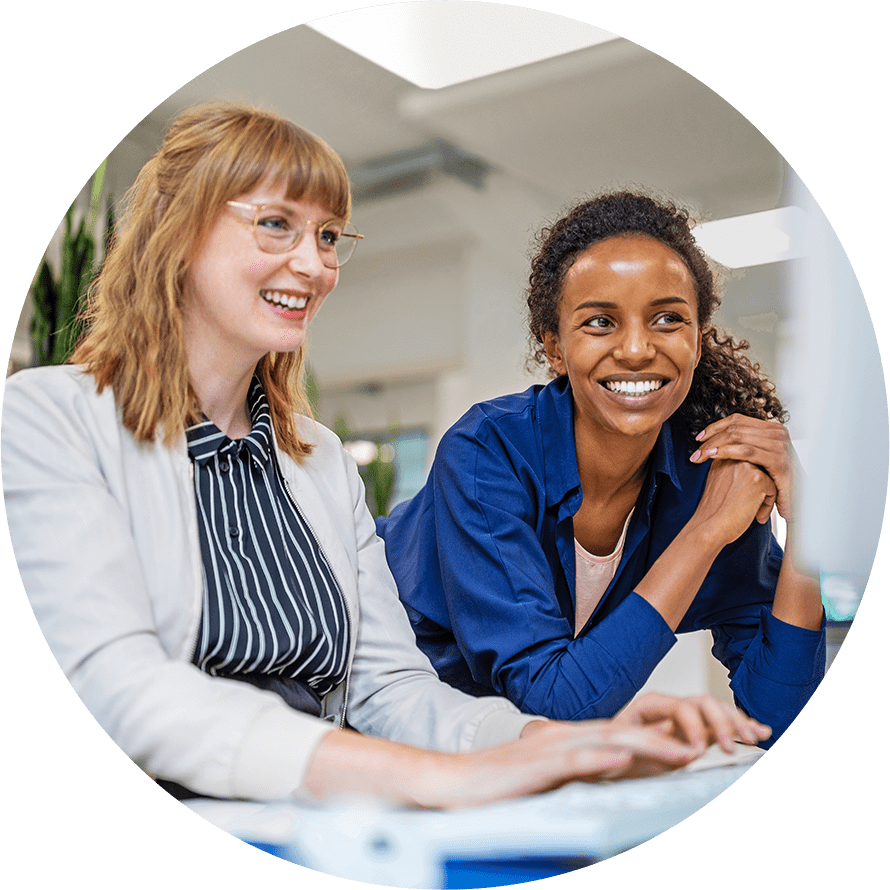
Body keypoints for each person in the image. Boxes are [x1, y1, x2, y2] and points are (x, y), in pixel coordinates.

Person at [1, 106, 770, 807]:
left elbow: (390, 690)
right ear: (179, 231)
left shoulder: (319, 461)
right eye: (276, 225)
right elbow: (115, 685)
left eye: (329, 236)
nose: (313, 265)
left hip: (315, 807)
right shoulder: (49, 418)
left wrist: (567, 746)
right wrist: (426, 775)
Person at [377, 191, 826, 748]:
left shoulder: (706, 472)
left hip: (501, 751)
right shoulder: (488, 451)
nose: (637, 349)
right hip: (363, 704)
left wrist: (807, 519)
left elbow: (778, 721)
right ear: (556, 350)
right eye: (600, 322)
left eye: (667, 319)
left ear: (696, 339)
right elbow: (552, 703)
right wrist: (706, 532)